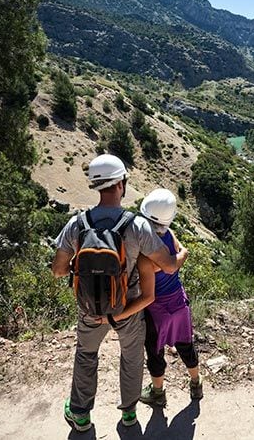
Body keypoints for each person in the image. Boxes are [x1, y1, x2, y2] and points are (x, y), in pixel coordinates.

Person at [51, 154, 189, 432]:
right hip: (128, 306)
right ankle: (128, 414)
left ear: (96, 186)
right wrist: (182, 254)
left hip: (90, 308)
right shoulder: (136, 225)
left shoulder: (77, 223)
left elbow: (58, 270)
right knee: (132, 357)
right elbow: (169, 266)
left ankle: (80, 414)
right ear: (121, 184)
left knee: (86, 355)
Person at [136, 188, 203, 407]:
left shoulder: (144, 246)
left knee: (155, 352)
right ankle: (196, 383)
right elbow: (178, 256)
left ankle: (157, 392)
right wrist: (181, 253)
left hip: (155, 308)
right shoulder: (168, 233)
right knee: (186, 345)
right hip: (178, 301)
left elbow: (164, 267)